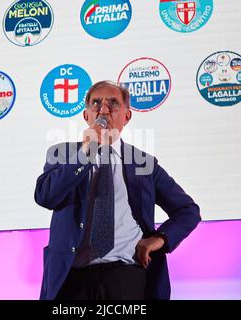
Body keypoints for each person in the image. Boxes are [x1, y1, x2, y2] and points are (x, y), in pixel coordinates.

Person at [35, 80, 201, 300]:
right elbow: (46, 196)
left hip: (125, 276)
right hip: (71, 278)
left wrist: (159, 239)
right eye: (96, 103)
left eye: (113, 103)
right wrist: (86, 151)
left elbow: (188, 210)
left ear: (127, 116)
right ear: (86, 116)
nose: (103, 109)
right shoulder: (61, 153)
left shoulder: (144, 163)